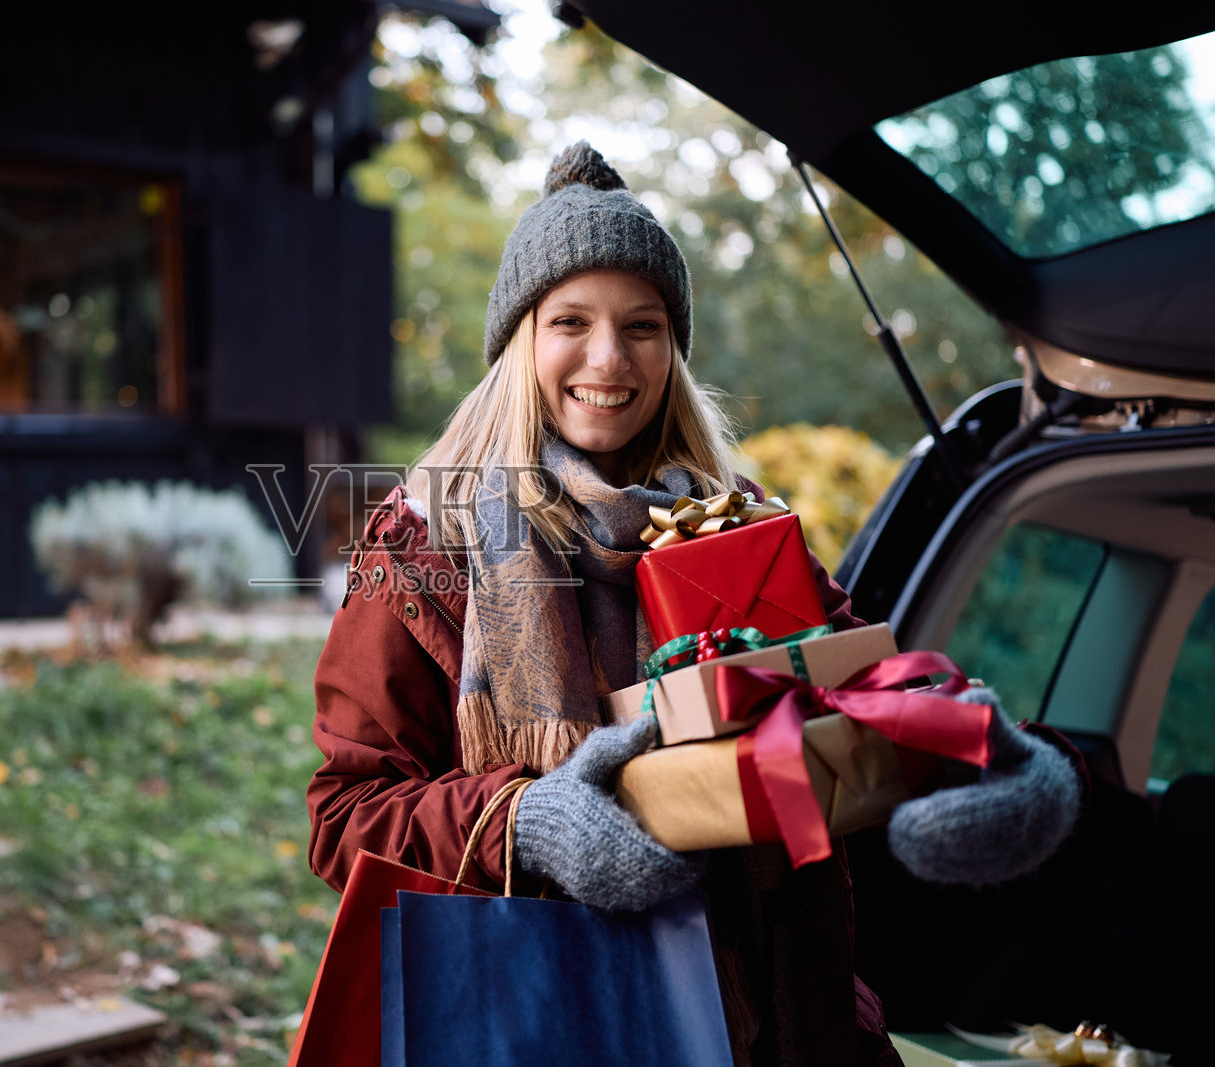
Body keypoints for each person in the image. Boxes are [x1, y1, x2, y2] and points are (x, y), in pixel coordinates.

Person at [306, 142, 1082, 1066]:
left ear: (672, 349)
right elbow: (348, 810)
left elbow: (866, 699)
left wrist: (998, 751)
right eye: (570, 321)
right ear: (520, 341)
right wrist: (530, 821)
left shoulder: (736, 531)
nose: (609, 357)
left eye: (642, 326)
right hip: (539, 1018)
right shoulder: (425, 544)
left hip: (778, 1023)